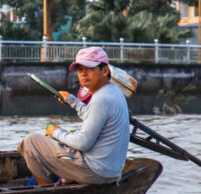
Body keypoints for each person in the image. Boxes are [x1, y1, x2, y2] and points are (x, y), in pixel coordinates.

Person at [18, 46, 130, 185]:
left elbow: (83, 143)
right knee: (62, 139)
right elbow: (93, 116)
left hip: (96, 172)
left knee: (31, 142)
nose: (83, 73)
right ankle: (65, 178)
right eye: (80, 69)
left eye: (89, 69)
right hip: (110, 171)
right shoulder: (113, 91)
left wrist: (55, 131)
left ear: (105, 71)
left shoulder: (101, 98)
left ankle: (46, 191)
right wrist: (72, 101)